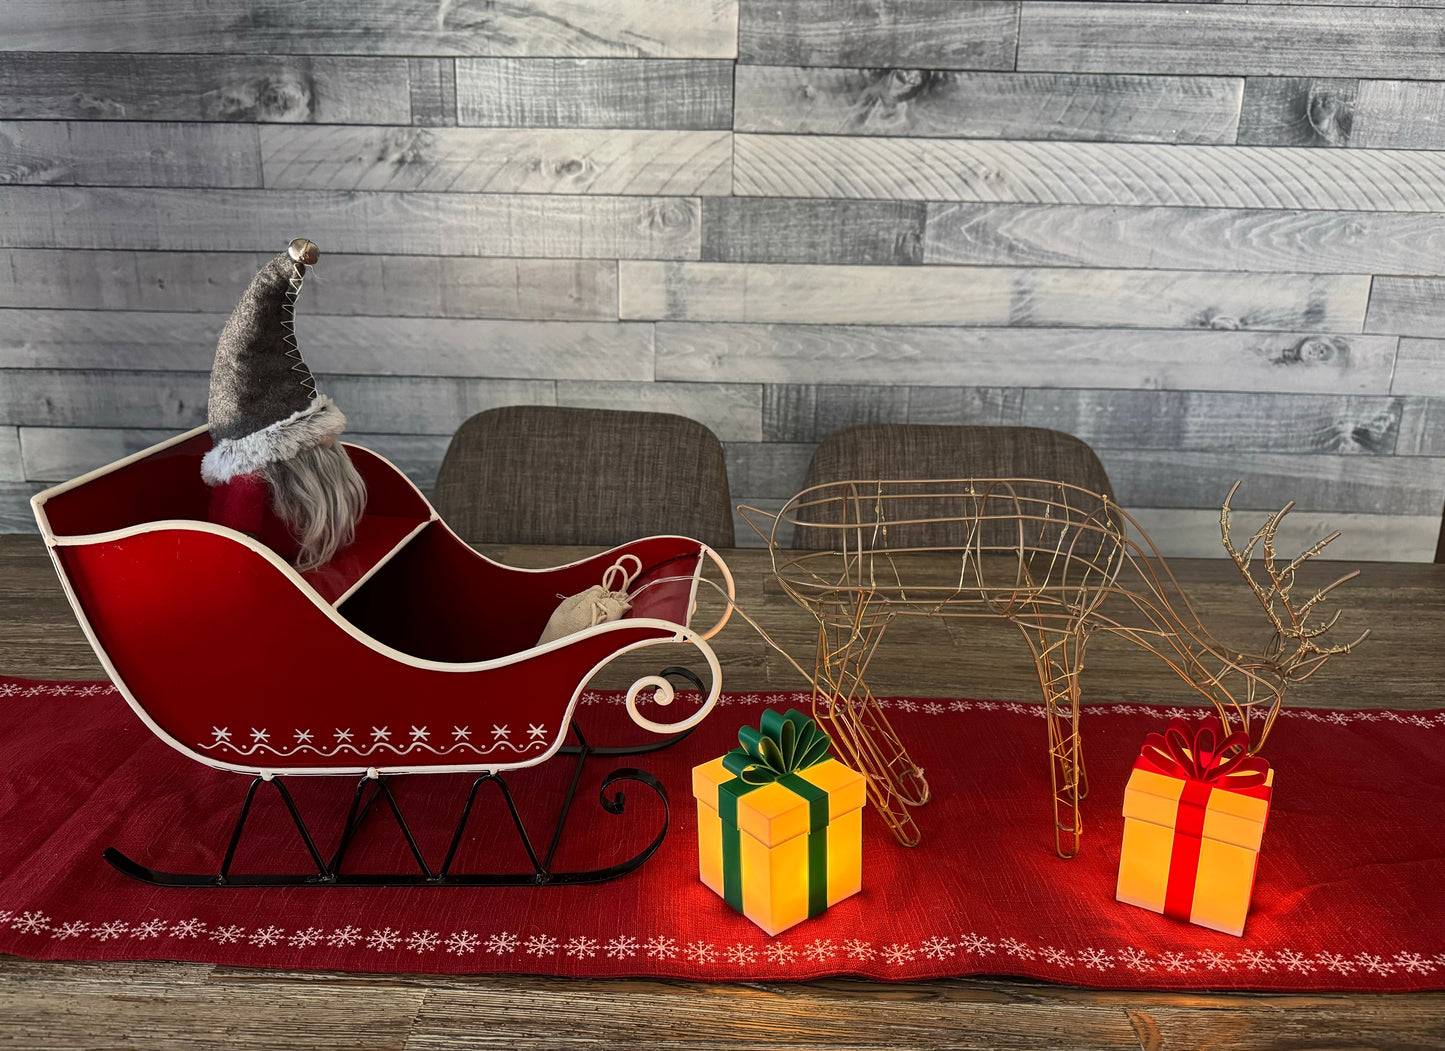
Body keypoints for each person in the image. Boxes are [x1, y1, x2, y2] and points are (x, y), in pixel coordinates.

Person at [200, 238, 366, 571]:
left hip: (272, 577)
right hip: (314, 560)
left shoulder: (248, 481)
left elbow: (232, 551)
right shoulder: (331, 469)